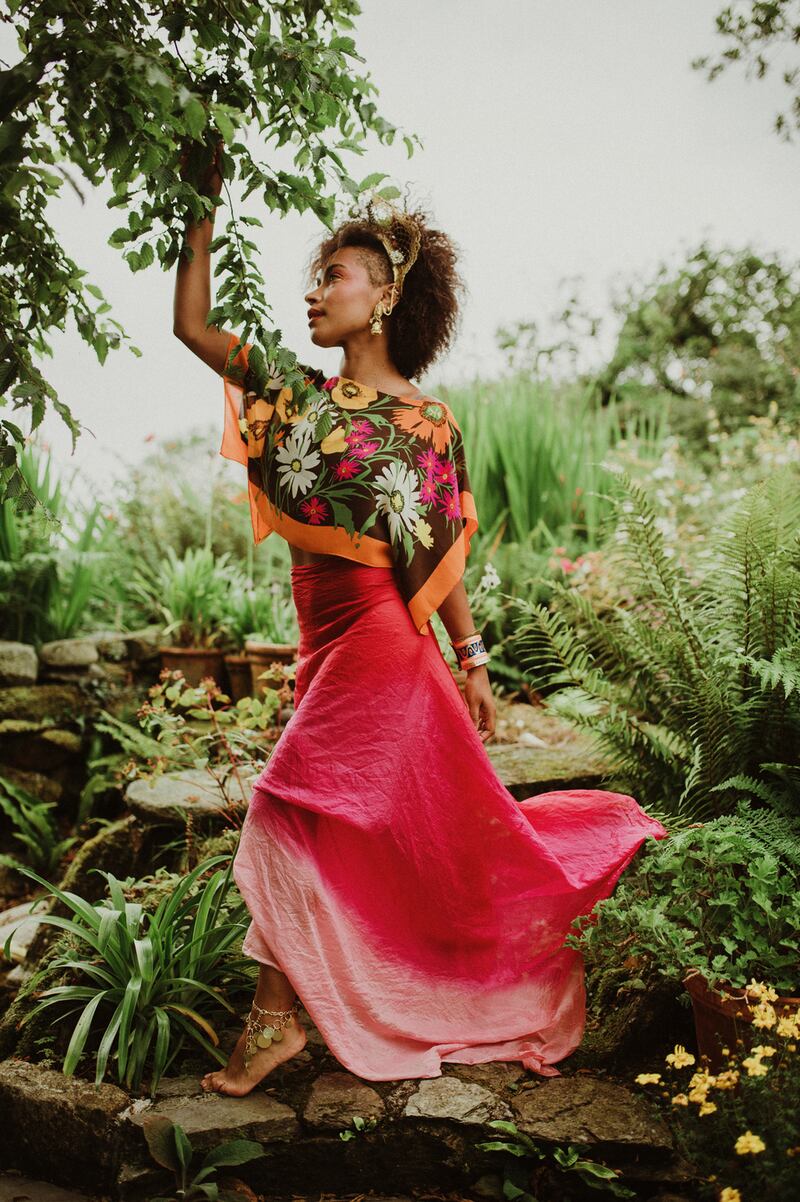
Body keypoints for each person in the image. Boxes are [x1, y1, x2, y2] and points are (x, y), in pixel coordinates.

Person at [173, 143, 668, 1097]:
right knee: (334, 823)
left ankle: (274, 1025)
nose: (315, 292)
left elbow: (438, 560)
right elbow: (192, 322)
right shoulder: (295, 391)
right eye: (314, 277)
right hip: (324, 639)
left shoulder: (428, 426)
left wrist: (471, 656)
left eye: (335, 276)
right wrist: (201, 207)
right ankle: (312, 1006)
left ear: (385, 296)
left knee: (282, 806)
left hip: (380, 640)